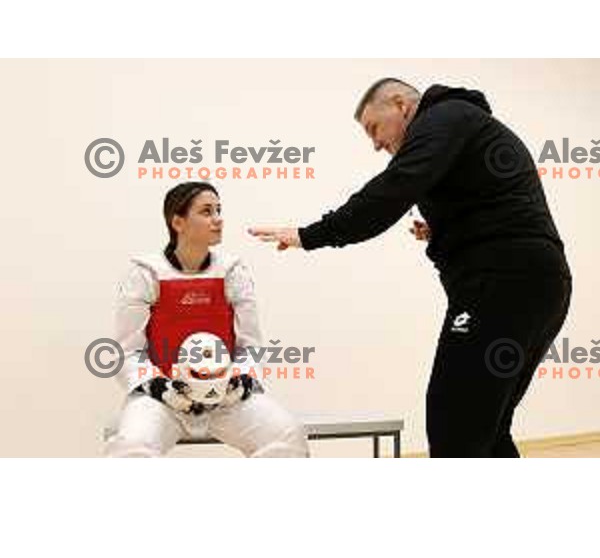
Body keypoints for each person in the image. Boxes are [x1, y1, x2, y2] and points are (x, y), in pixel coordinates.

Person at [249, 78, 572, 458]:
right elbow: (497, 205)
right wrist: (443, 229)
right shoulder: (460, 125)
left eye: (374, 128)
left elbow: (391, 191)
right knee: (484, 428)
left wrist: (309, 234)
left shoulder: (444, 117)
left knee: (454, 424)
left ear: (401, 104)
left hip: (503, 283)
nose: (375, 143)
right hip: (536, 284)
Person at [107, 181, 309, 458]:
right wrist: (159, 387)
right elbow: (127, 352)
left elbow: (251, 346)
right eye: (206, 211)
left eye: (219, 210)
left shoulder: (232, 272)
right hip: (163, 400)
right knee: (131, 447)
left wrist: (240, 381)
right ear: (177, 222)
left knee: (288, 435)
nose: (218, 219)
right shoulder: (145, 274)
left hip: (226, 400)